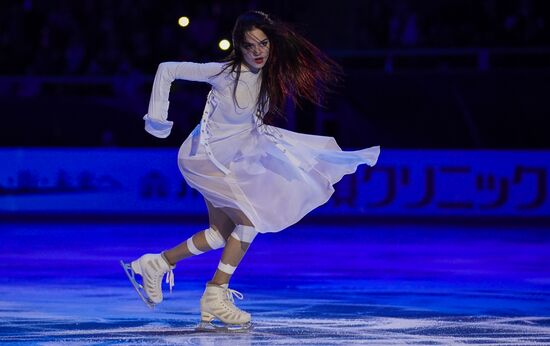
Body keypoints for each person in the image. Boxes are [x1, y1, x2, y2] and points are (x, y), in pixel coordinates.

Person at [121, 10, 380, 331]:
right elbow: (168, 68)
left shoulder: (268, 78)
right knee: (250, 220)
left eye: (263, 43)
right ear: (238, 47)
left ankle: (158, 262)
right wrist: (158, 121)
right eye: (250, 45)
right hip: (203, 158)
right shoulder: (226, 73)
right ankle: (215, 293)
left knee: (220, 235)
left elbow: (246, 124)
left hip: (225, 161)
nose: (258, 51)